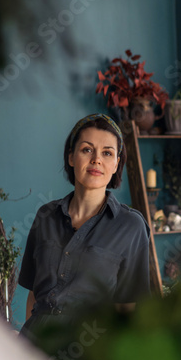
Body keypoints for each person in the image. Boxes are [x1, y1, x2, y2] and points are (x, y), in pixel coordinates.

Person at [18, 113, 150, 341]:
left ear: (116, 163)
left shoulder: (131, 226)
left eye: (107, 153)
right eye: (87, 150)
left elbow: (129, 309)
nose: (96, 160)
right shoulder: (45, 216)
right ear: (71, 157)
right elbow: (33, 296)